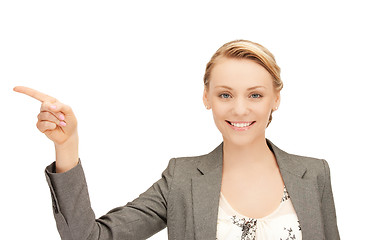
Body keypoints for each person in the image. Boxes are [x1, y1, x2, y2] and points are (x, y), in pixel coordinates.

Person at [14, 39, 340, 240]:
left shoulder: (314, 175)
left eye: (255, 94)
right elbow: (89, 238)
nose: (240, 109)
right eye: (225, 94)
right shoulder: (181, 180)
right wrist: (66, 146)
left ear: (276, 100)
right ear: (207, 98)